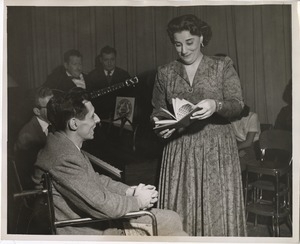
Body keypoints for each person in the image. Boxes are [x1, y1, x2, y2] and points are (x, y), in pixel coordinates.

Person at [32, 87, 187, 236]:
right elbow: (101, 204)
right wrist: (137, 201)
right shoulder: (64, 158)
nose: (98, 119)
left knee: (172, 220)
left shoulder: (61, 143)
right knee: (176, 228)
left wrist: (129, 191)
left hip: (97, 220)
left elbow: (93, 179)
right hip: (90, 230)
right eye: (92, 116)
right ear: (74, 124)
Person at [151, 14, 247, 236]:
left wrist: (216, 105)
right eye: (177, 44)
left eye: (189, 42)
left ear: (201, 38)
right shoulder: (165, 73)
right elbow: (156, 112)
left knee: (216, 210)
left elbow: (237, 105)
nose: (183, 50)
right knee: (180, 213)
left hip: (216, 150)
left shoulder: (221, 66)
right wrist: (160, 124)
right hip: (179, 149)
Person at [14, 86, 53, 189]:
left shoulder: (55, 123)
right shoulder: (27, 136)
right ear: (37, 111)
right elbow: (31, 179)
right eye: (50, 106)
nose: (55, 108)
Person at [88, 45, 132, 119]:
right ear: (101, 60)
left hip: (119, 117)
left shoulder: (124, 75)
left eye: (112, 59)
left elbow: (129, 98)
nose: (109, 63)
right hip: (99, 117)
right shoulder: (92, 76)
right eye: (106, 60)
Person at [231, 105, 261, 171]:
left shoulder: (253, 116)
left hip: (252, 145)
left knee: (237, 160)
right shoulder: (230, 117)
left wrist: (234, 150)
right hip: (237, 144)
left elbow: (248, 142)